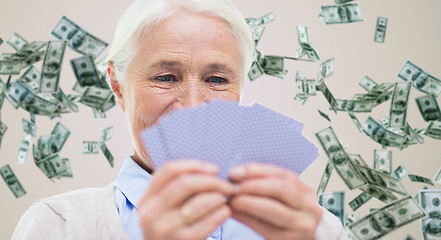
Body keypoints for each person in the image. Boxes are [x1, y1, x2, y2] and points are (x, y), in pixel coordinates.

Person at [12, 0, 346, 239]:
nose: (191, 107)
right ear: (118, 87)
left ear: (241, 91)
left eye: (217, 80)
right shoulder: (60, 226)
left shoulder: (318, 230)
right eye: (166, 77)